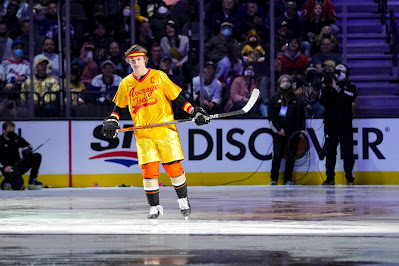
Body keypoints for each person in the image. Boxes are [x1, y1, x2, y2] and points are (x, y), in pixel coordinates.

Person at [101, 44, 210, 222]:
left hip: (165, 130)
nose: (135, 63)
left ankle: (183, 200)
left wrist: (194, 111)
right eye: (132, 60)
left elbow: (177, 98)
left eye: (138, 59)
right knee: (149, 171)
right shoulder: (126, 83)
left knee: (174, 168)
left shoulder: (159, 76)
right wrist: (113, 119)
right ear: (129, 62)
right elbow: (118, 107)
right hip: (143, 134)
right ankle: (155, 207)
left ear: (145, 60)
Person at [319, 64, 357, 185]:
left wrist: (337, 88)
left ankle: (349, 177)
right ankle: (330, 177)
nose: (339, 73)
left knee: (347, 151)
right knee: (330, 151)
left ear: (346, 73)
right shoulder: (328, 88)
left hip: (345, 124)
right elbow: (322, 101)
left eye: (342, 71)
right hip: (331, 124)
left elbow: (350, 98)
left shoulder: (351, 87)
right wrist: (325, 87)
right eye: (337, 71)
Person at [268, 74, 306, 185]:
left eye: (287, 80)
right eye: (283, 80)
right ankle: (274, 179)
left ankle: (288, 179)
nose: (285, 82)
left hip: (293, 132)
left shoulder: (296, 99)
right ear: (279, 83)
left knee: (290, 156)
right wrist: (278, 129)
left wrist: (302, 130)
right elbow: (271, 117)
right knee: (277, 155)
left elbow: (301, 117)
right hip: (279, 133)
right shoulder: (274, 99)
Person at [0, 121, 42, 190]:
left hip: (18, 164)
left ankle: (33, 180)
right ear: (3, 131)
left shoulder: (16, 138)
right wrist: (4, 167)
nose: (12, 132)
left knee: (37, 156)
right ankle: (7, 181)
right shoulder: (0, 141)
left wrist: (26, 151)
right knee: (19, 186)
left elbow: (29, 146)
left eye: (13, 130)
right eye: (10, 130)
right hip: (8, 168)